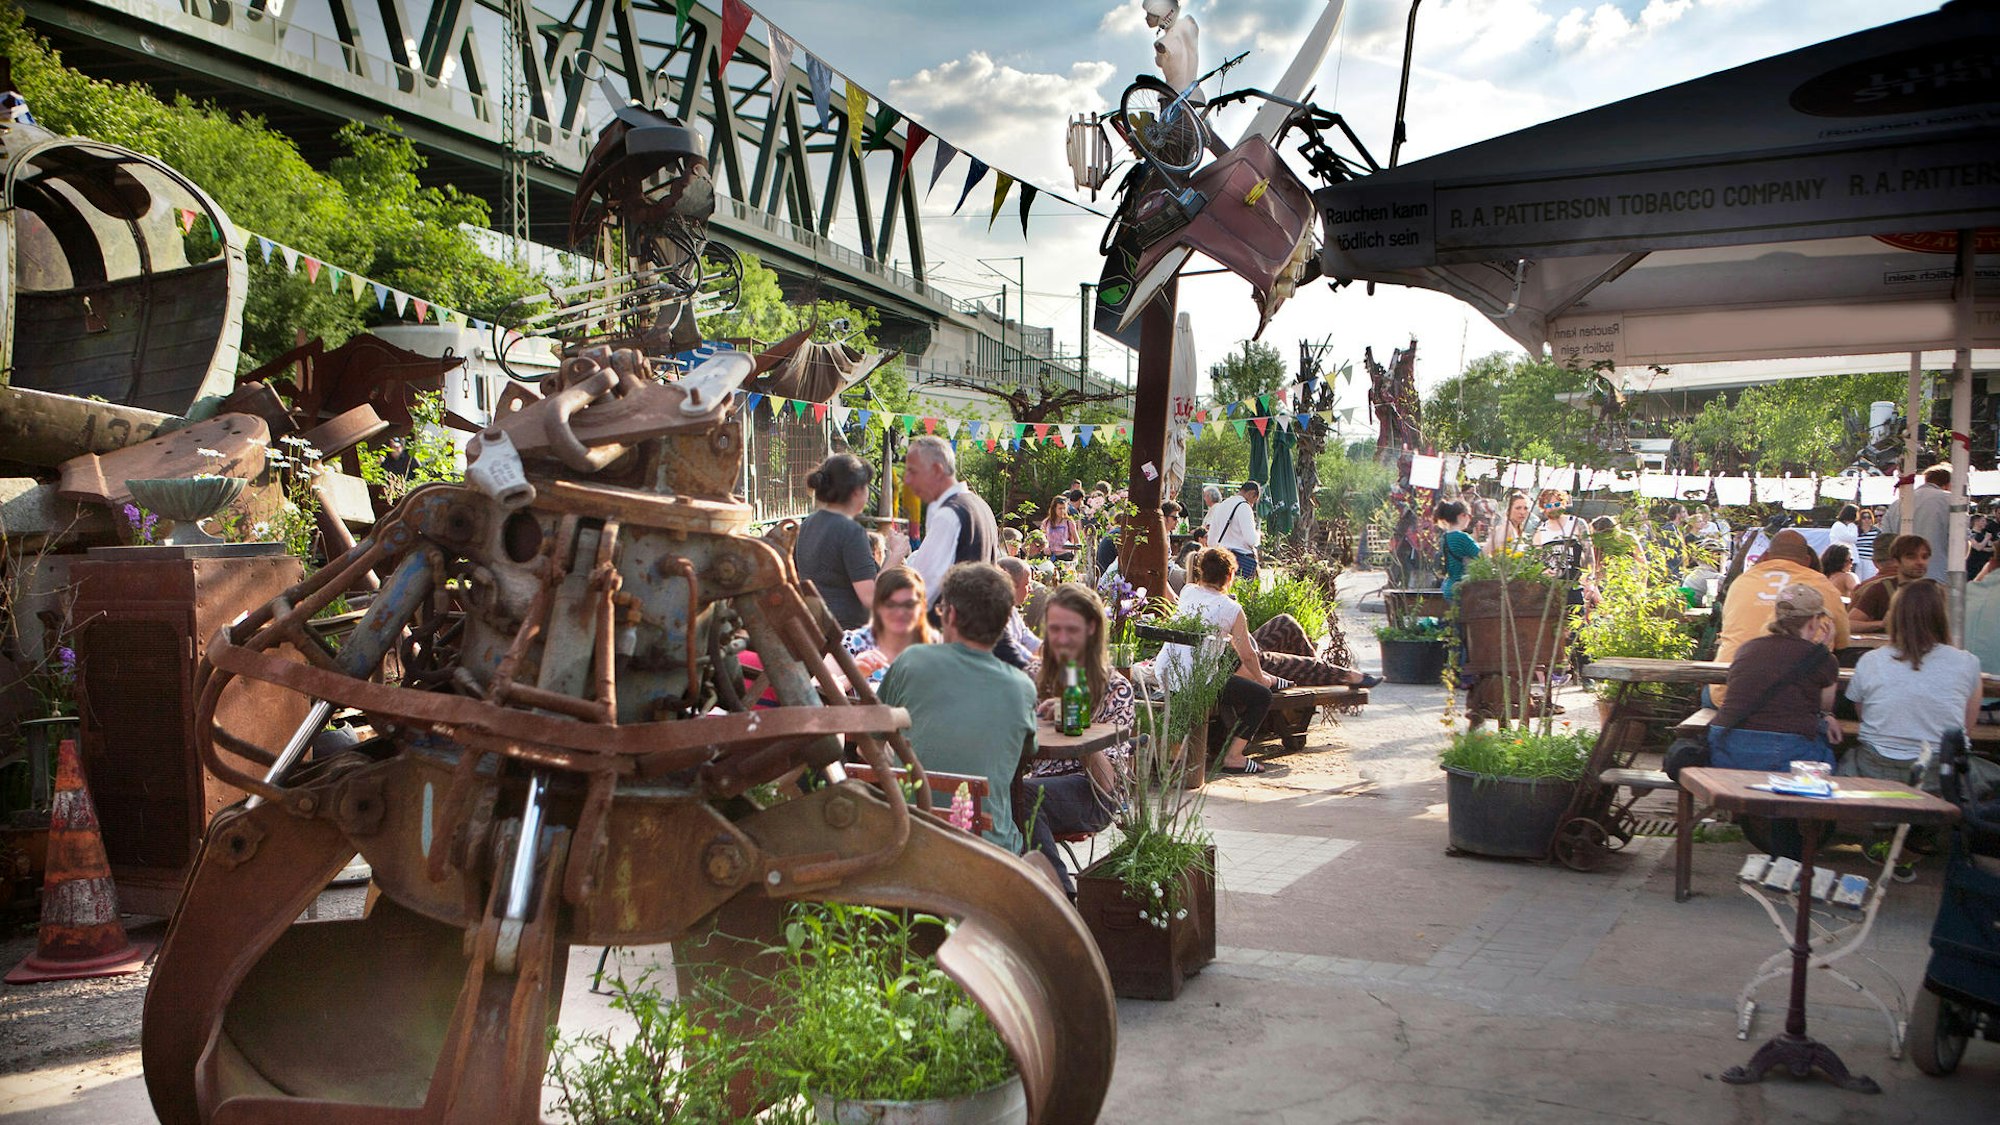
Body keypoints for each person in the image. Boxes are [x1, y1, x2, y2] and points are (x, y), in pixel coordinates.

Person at [1156, 548, 1376, 776]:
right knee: (1261, 696)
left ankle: (1283, 681)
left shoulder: (1189, 591)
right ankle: (1234, 757)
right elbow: (1248, 655)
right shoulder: (1231, 608)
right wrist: (1261, 679)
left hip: (1167, 671)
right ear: (1230, 576)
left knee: (1267, 645)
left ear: (1201, 572)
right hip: (1198, 680)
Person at [878, 563, 1038, 856]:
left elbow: (873, 741)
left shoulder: (912, 660)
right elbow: (1026, 752)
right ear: (1005, 624)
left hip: (908, 837)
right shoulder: (1022, 687)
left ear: (949, 614)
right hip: (988, 850)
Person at [1710, 584, 1842, 859]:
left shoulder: (1748, 649)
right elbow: (1825, 706)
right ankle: (1792, 855)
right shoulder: (1822, 658)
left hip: (1727, 750)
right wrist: (1825, 651)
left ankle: (1782, 849)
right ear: (1815, 621)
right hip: (1784, 754)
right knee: (1823, 762)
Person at [1843, 579, 1996, 803]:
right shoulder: (1966, 663)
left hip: (1874, 770)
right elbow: (1965, 728)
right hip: (1941, 774)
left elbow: (1863, 714)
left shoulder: (1870, 660)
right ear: (1943, 616)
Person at [1021, 584, 1136, 876]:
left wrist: (1078, 723)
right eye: (1054, 629)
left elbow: (1107, 784)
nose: (1060, 639)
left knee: (1022, 798)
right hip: (1035, 785)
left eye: (1070, 630)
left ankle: (1059, 896)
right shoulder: (1031, 678)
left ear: (1092, 629)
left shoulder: (1115, 688)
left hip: (1093, 793)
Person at [1711, 529, 1850, 706]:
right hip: (1796, 696)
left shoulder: (1742, 582)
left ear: (1766, 556)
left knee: (1710, 695)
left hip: (1727, 690)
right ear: (1807, 560)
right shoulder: (1822, 584)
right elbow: (1843, 642)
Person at [884, 436, 1001, 602]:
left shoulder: (949, 514)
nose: (908, 480)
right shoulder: (980, 505)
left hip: (949, 623)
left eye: (913, 471)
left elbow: (922, 586)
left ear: (937, 470)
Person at [793, 453, 879, 630]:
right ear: (857, 491)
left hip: (816, 626)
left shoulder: (808, 523)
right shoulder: (850, 531)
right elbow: (870, 597)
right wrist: (896, 556)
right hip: (848, 634)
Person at [842, 566, 934, 686]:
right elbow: (816, 692)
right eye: (890, 604)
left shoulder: (937, 649)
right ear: (877, 606)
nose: (900, 612)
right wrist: (853, 675)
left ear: (922, 606)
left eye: (909, 604)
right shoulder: (853, 642)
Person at [1882, 465, 1952, 581]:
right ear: (1948, 484)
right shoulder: (1951, 501)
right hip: (1940, 577)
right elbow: (1962, 544)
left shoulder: (1897, 504)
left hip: (1902, 578)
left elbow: (1886, 541)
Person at [1849, 534, 1931, 631]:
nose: (1920, 562)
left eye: (1925, 557)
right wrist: (1881, 624)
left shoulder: (1933, 591)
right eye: (1911, 557)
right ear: (1896, 560)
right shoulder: (1879, 589)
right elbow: (1848, 624)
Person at [1201, 480, 1263, 579]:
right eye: (1254, 501)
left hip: (1222, 560)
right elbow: (1251, 540)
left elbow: (1211, 541)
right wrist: (1258, 535)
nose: (1252, 505)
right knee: (1244, 593)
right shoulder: (1244, 507)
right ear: (1252, 494)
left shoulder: (1221, 506)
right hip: (1242, 562)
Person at [996, 556, 1042, 661]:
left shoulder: (1012, 610)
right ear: (1011, 583)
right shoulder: (995, 614)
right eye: (1027, 584)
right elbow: (1014, 651)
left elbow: (1029, 640)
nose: (1030, 589)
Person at [1434, 500, 1480, 598]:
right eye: (1469, 515)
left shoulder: (1445, 536)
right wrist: (1493, 541)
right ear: (1462, 516)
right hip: (1462, 587)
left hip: (1449, 586)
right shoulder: (1462, 537)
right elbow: (1482, 557)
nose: (1470, 519)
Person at [1486, 490, 1532, 555]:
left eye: (1526, 508)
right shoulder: (1505, 529)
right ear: (1508, 510)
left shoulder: (1517, 528)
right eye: (1518, 508)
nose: (1522, 512)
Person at [1040, 495, 1082, 561]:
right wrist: (1045, 547)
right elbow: (1041, 537)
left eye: (1064, 508)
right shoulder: (1046, 522)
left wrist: (1076, 557)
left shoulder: (1069, 522)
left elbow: (1077, 541)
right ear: (1054, 508)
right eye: (1060, 508)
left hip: (1065, 555)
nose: (1062, 511)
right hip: (1050, 555)